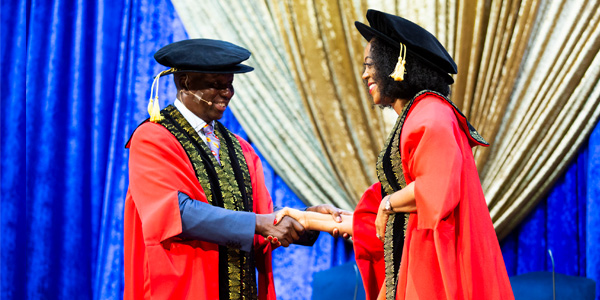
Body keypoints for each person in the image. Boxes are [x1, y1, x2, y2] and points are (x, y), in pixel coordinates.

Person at [124, 38, 347, 300]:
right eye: (217, 85)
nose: (227, 93)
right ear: (185, 82)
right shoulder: (153, 138)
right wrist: (260, 223)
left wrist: (308, 219)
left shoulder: (239, 147)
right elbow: (178, 212)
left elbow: (259, 216)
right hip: (186, 287)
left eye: (229, 85)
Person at [351, 10, 515, 300]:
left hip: (435, 262)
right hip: (412, 256)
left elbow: (437, 189)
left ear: (395, 64)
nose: (365, 74)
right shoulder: (417, 113)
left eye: (370, 64)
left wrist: (388, 204)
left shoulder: (432, 114)